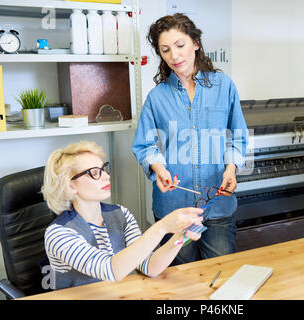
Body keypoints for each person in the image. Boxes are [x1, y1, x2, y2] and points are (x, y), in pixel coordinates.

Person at [132, 13, 248, 265]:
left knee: (221, 274)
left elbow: (237, 137)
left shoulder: (224, 86)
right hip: (174, 209)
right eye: (165, 50)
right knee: (180, 282)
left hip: (218, 205)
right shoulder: (156, 97)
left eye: (180, 45)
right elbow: (144, 144)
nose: (174, 56)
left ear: (195, 43)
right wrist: (158, 168)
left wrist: (231, 169)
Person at [42, 140, 204, 290]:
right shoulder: (58, 233)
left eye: (104, 169)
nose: (106, 176)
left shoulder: (120, 214)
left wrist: (179, 237)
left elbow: (150, 267)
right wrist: (161, 227)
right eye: (94, 172)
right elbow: (110, 270)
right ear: (71, 186)